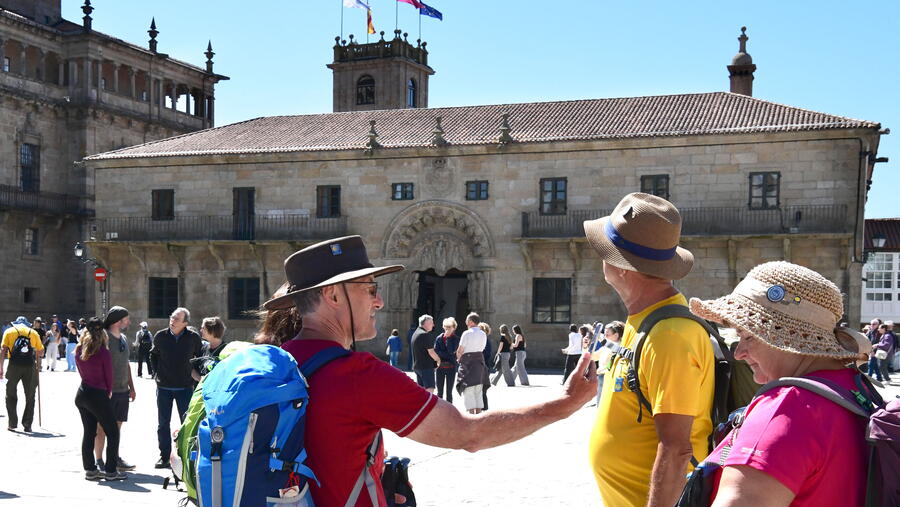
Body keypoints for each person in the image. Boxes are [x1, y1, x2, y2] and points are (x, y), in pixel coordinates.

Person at [272, 235, 597, 505]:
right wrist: (564, 404)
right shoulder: (359, 375)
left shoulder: (276, 361)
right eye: (370, 289)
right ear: (332, 295)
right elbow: (469, 434)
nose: (379, 301)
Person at [688, 261, 872, 506]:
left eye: (748, 336)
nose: (738, 353)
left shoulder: (786, 410)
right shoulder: (855, 387)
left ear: (783, 337)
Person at [584, 192, 714, 507]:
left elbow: (676, 449)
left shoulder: (669, 336)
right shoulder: (646, 320)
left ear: (622, 267)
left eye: (605, 251)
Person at [74, 318, 127, 481]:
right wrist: (108, 392)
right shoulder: (103, 352)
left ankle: (90, 469)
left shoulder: (79, 349)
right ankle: (111, 471)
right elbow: (108, 376)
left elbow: (81, 372)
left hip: (82, 392)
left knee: (89, 432)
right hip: (98, 394)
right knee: (113, 432)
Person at [150, 307, 203, 468]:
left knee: (187, 423)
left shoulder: (193, 338)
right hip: (164, 387)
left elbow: (199, 358)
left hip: (185, 387)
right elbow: (153, 355)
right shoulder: (160, 336)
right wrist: (155, 373)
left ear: (185, 323)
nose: (172, 321)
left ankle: (186, 456)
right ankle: (164, 457)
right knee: (163, 424)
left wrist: (195, 378)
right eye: (172, 317)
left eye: (177, 319)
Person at [94, 306, 136, 473]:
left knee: (116, 428)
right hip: (106, 391)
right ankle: (99, 460)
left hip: (122, 391)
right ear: (118, 321)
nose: (129, 322)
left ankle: (114, 458)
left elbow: (126, 364)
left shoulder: (124, 338)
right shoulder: (103, 338)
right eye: (126, 319)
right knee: (101, 428)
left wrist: (131, 387)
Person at [0, 316, 44, 432]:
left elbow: (3, 350)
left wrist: (1, 368)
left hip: (13, 366)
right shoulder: (33, 333)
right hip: (30, 366)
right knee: (30, 395)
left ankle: (12, 424)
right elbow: (41, 352)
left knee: (10, 394)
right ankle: (27, 424)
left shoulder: (9, 331)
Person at [454, 314, 488, 414]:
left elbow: (460, 350)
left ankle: (472, 417)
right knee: (478, 390)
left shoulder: (466, 333)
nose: (466, 322)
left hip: (468, 362)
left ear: (471, 322)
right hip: (479, 361)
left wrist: (459, 359)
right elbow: (482, 348)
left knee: (468, 389)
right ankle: (478, 416)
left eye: (467, 320)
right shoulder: (483, 333)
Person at [192, 316, 227, 381]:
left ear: (212, 330)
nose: (201, 330)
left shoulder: (226, 350)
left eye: (203, 328)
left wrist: (201, 379)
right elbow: (194, 368)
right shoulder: (203, 347)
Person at [433, 317, 460, 403]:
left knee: (449, 392)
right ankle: (439, 408)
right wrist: (446, 355)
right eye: (445, 327)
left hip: (451, 367)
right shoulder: (439, 338)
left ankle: (449, 408)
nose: (447, 329)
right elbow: (436, 352)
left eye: (449, 327)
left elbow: (452, 352)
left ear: (454, 328)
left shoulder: (456, 339)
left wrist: (448, 340)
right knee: (439, 392)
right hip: (440, 367)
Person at [410, 314, 439, 393]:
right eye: (431, 323)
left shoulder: (416, 333)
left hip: (418, 367)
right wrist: (438, 360)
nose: (433, 325)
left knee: (422, 391)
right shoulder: (424, 334)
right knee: (430, 389)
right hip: (426, 367)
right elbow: (431, 352)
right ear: (426, 323)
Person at [477, 321, 493, 411]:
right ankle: (482, 407)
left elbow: (487, 354)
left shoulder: (486, 340)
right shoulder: (483, 340)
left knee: (482, 389)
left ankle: (484, 407)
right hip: (481, 366)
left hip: (484, 366)